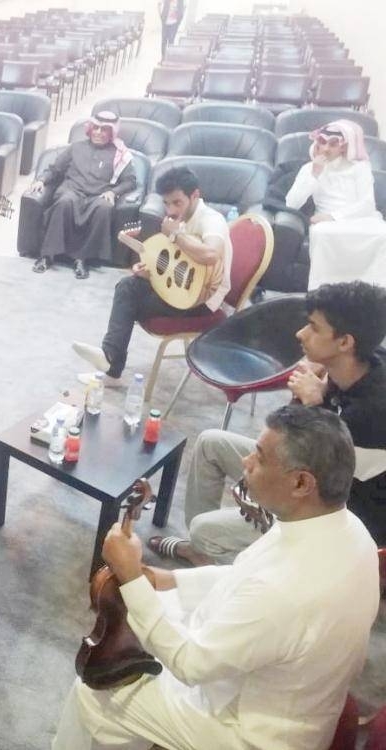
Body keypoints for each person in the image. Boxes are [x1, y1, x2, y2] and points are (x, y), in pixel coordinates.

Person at [52, 405, 379, 750]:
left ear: (301, 482)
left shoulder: (286, 591)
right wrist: (169, 580)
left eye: (260, 456)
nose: (246, 461)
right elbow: (245, 573)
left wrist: (132, 576)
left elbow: (191, 664)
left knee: (96, 691)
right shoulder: (350, 531)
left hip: (251, 733)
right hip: (290, 689)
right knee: (155, 609)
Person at [151, 281, 386, 566]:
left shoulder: (371, 414)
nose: (301, 333)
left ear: (345, 342)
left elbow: (321, 479)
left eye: (313, 327)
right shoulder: (360, 362)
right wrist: (320, 384)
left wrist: (317, 403)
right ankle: (204, 551)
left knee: (204, 529)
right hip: (304, 473)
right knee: (211, 443)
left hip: (328, 516)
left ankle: (213, 549)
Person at [72, 166, 231, 385]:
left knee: (128, 296)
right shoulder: (180, 219)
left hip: (201, 302)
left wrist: (175, 234)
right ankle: (109, 360)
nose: (171, 209)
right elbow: (177, 265)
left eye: (177, 202)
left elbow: (211, 254)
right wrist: (150, 275)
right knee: (129, 285)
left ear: (195, 195)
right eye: (166, 203)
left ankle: (110, 365)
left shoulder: (211, 220)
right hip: (182, 289)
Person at [29, 111, 137, 280]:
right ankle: (47, 256)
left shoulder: (120, 154)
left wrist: (113, 192)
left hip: (98, 195)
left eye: (104, 130)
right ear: (89, 129)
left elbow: (130, 181)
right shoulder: (75, 147)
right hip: (72, 190)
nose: (98, 133)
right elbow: (55, 170)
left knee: (104, 208)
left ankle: (82, 259)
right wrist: (41, 180)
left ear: (112, 133)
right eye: (96, 128)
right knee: (65, 201)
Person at [285, 120, 386, 290]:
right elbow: (291, 203)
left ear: (344, 147)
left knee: (382, 234)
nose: (326, 149)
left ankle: (375, 295)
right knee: (323, 234)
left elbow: (367, 204)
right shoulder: (309, 168)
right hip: (325, 223)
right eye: (323, 142)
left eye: (333, 144)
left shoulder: (360, 168)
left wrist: (334, 217)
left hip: (360, 219)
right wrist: (314, 174)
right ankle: (325, 294)